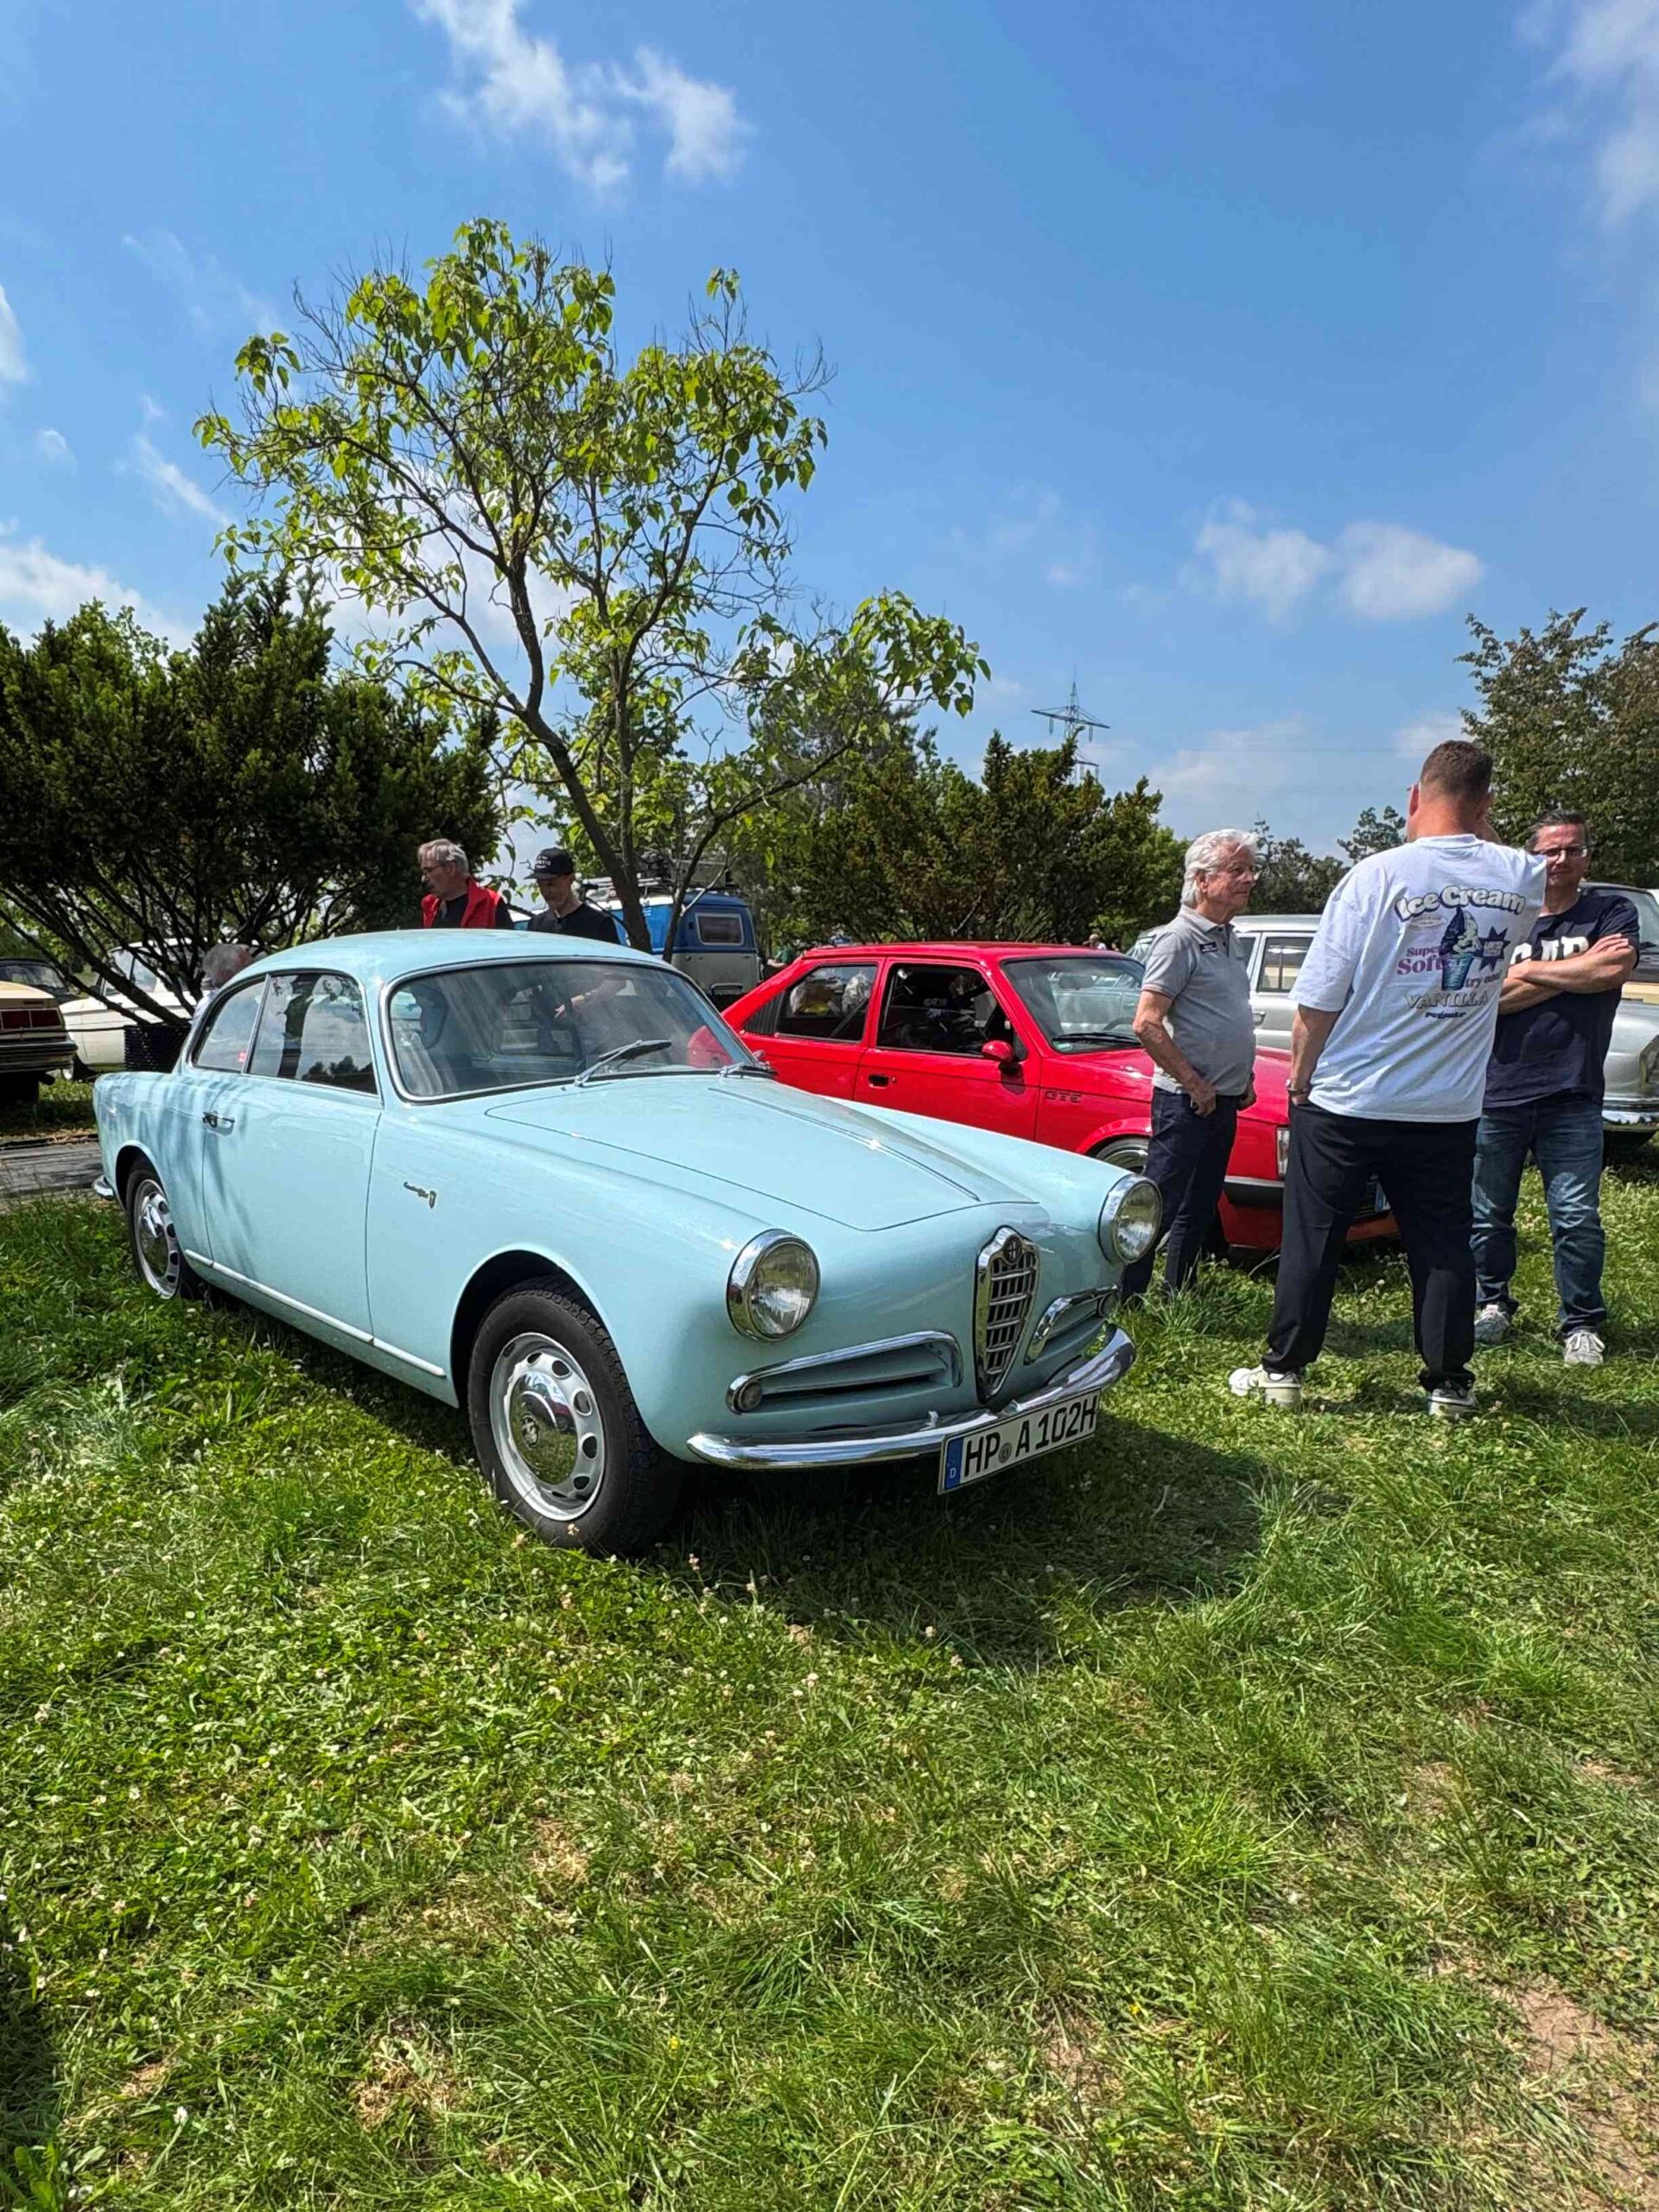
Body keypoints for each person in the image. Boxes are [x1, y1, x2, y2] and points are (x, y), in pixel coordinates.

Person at [1230, 740, 1544, 1420]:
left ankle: (1284, 1372)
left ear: (1413, 797)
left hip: (1350, 1097)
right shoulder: (1522, 876)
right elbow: (1501, 859)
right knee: (1442, 1243)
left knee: (1315, 1236)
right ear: (1485, 804)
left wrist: (1301, 1079)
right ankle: (1449, 1384)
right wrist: (1480, 827)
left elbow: (1318, 1002)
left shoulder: (1374, 877)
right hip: (1447, 1105)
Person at [1471, 812, 1637, 1366]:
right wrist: (1572, 972)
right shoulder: (1506, 918)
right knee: (1488, 1213)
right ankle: (1491, 1303)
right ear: (1531, 858)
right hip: (1496, 1089)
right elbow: (1482, 997)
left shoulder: (1610, 911)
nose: (1561, 859)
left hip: (1573, 1091)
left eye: (1573, 849)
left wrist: (1526, 974)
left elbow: (1610, 970)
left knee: (1576, 1216)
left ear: (1587, 856)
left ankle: (1582, 1323)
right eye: (1550, 851)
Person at [1124, 829, 1260, 1297]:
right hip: (1185, 1101)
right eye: (1237, 870)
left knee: (1200, 1204)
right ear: (1202, 880)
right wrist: (1194, 1083)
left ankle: (1177, 1292)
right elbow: (1146, 1023)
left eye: (1252, 869)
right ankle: (1127, 1296)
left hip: (1222, 1098)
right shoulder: (1178, 939)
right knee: (1160, 1202)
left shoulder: (1229, 938)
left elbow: (1226, 1014)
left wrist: (1243, 1075)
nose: (1249, 879)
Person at [526, 848, 622, 944]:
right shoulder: (536, 926)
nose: (546, 891)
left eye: (550, 884)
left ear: (570, 879)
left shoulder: (598, 923)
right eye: (540, 885)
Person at [418, 840, 515, 929]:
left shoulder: (490, 904)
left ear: (451, 868)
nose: (424, 879)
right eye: (424, 873)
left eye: (429, 871)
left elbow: (508, 941)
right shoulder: (429, 905)